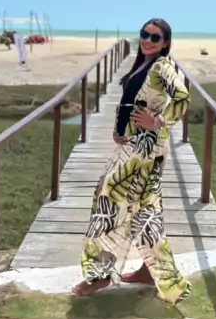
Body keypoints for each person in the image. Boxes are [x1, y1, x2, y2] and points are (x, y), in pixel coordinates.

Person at [72, 18, 192, 304]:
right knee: (146, 210)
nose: (148, 40)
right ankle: (154, 274)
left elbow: (183, 98)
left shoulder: (162, 66)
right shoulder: (143, 64)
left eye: (155, 37)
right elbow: (130, 100)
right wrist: (120, 130)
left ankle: (100, 274)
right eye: (144, 34)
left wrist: (157, 121)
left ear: (165, 43)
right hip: (135, 144)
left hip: (146, 148)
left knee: (107, 195)